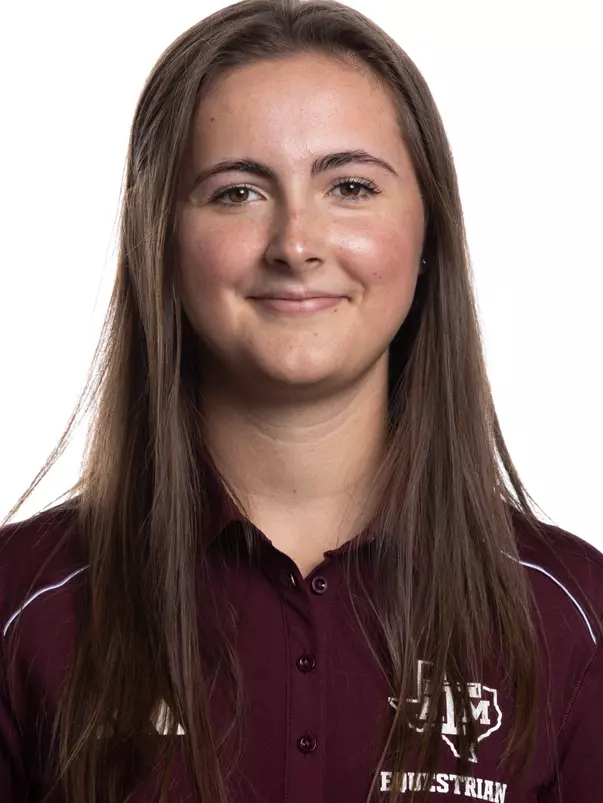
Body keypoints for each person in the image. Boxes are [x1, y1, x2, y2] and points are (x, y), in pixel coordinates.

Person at [1, 0, 601, 801]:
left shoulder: (572, 614)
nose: (294, 244)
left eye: (349, 186)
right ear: (161, 243)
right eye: (237, 193)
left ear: (429, 234)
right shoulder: (19, 603)